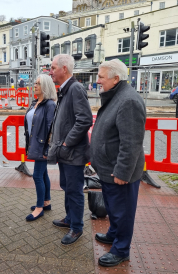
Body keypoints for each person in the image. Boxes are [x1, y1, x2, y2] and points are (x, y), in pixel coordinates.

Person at [90, 59, 146, 267]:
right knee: (115, 208)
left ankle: (121, 250)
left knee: (122, 211)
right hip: (109, 168)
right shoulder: (117, 96)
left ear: (115, 79)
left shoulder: (128, 101)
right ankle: (114, 234)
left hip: (119, 172)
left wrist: (122, 172)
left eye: (101, 77)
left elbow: (131, 142)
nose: (97, 81)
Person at [48, 54, 92, 245]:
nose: (50, 72)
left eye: (52, 68)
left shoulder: (75, 88)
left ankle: (76, 228)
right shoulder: (66, 89)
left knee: (74, 190)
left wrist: (66, 143)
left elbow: (85, 120)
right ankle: (70, 219)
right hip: (66, 153)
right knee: (67, 187)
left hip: (72, 152)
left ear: (63, 69)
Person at [24, 74, 57, 221]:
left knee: (37, 175)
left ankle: (39, 208)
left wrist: (46, 149)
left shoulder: (50, 105)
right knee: (43, 174)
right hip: (35, 144)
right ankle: (46, 202)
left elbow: (52, 128)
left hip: (42, 146)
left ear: (46, 87)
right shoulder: (35, 103)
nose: (35, 85)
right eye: (35, 83)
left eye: (38, 83)